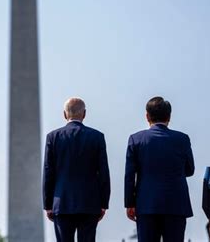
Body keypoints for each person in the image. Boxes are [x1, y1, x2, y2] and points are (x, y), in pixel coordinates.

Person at [124, 96, 194, 241]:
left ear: (147, 116)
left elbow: (130, 175)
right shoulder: (182, 139)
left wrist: (130, 203)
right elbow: (189, 169)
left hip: (146, 204)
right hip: (176, 204)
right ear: (169, 116)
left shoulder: (135, 139)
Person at [43, 97, 110, 242]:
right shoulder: (97, 137)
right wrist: (104, 203)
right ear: (84, 114)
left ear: (64, 114)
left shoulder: (53, 137)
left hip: (62, 203)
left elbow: (49, 172)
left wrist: (48, 204)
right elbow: (103, 172)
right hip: (89, 202)